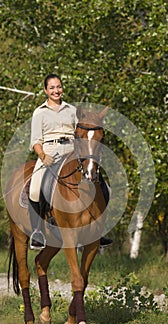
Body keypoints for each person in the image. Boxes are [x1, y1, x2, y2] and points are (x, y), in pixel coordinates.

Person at [28, 73, 113, 249]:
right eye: (52, 87)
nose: (56, 90)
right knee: (35, 188)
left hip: (72, 151)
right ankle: (38, 231)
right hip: (49, 152)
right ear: (45, 90)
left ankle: (99, 230)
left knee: (103, 185)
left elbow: (82, 131)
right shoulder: (40, 112)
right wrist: (43, 155)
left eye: (58, 87)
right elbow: (35, 140)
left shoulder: (73, 110)